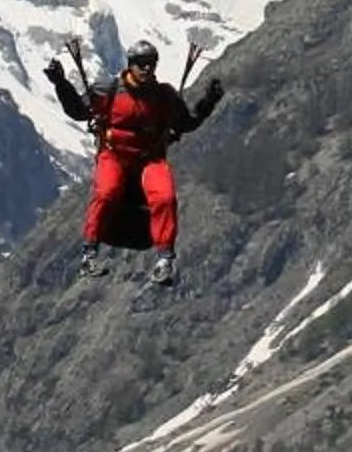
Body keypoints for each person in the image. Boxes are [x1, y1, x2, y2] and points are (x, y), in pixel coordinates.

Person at [43, 40, 225, 285]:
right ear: (130, 65)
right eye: (142, 64)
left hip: (149, 159)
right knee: (106, 192)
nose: (147, 69)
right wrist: (61, 84)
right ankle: (89, 253)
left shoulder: (164, 96)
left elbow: (186, 123)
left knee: (165, 197)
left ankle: (164, 260)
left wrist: (208, 103)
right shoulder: (108, 89)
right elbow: (78, 111)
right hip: (114, 155)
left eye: (151, 64)